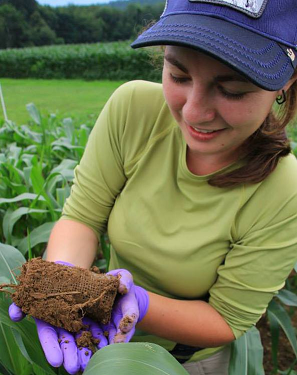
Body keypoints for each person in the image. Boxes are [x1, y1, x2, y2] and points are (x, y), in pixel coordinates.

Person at [9, 0, 297, 374]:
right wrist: (61, 284)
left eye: (232, 90)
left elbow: (225, 320)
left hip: (182, 361)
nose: (194, 112)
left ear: (286, 82)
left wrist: (139, 304)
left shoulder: (283, 188)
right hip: (92, 336)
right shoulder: (133, 110)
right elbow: (81, 217)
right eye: (178, 76)